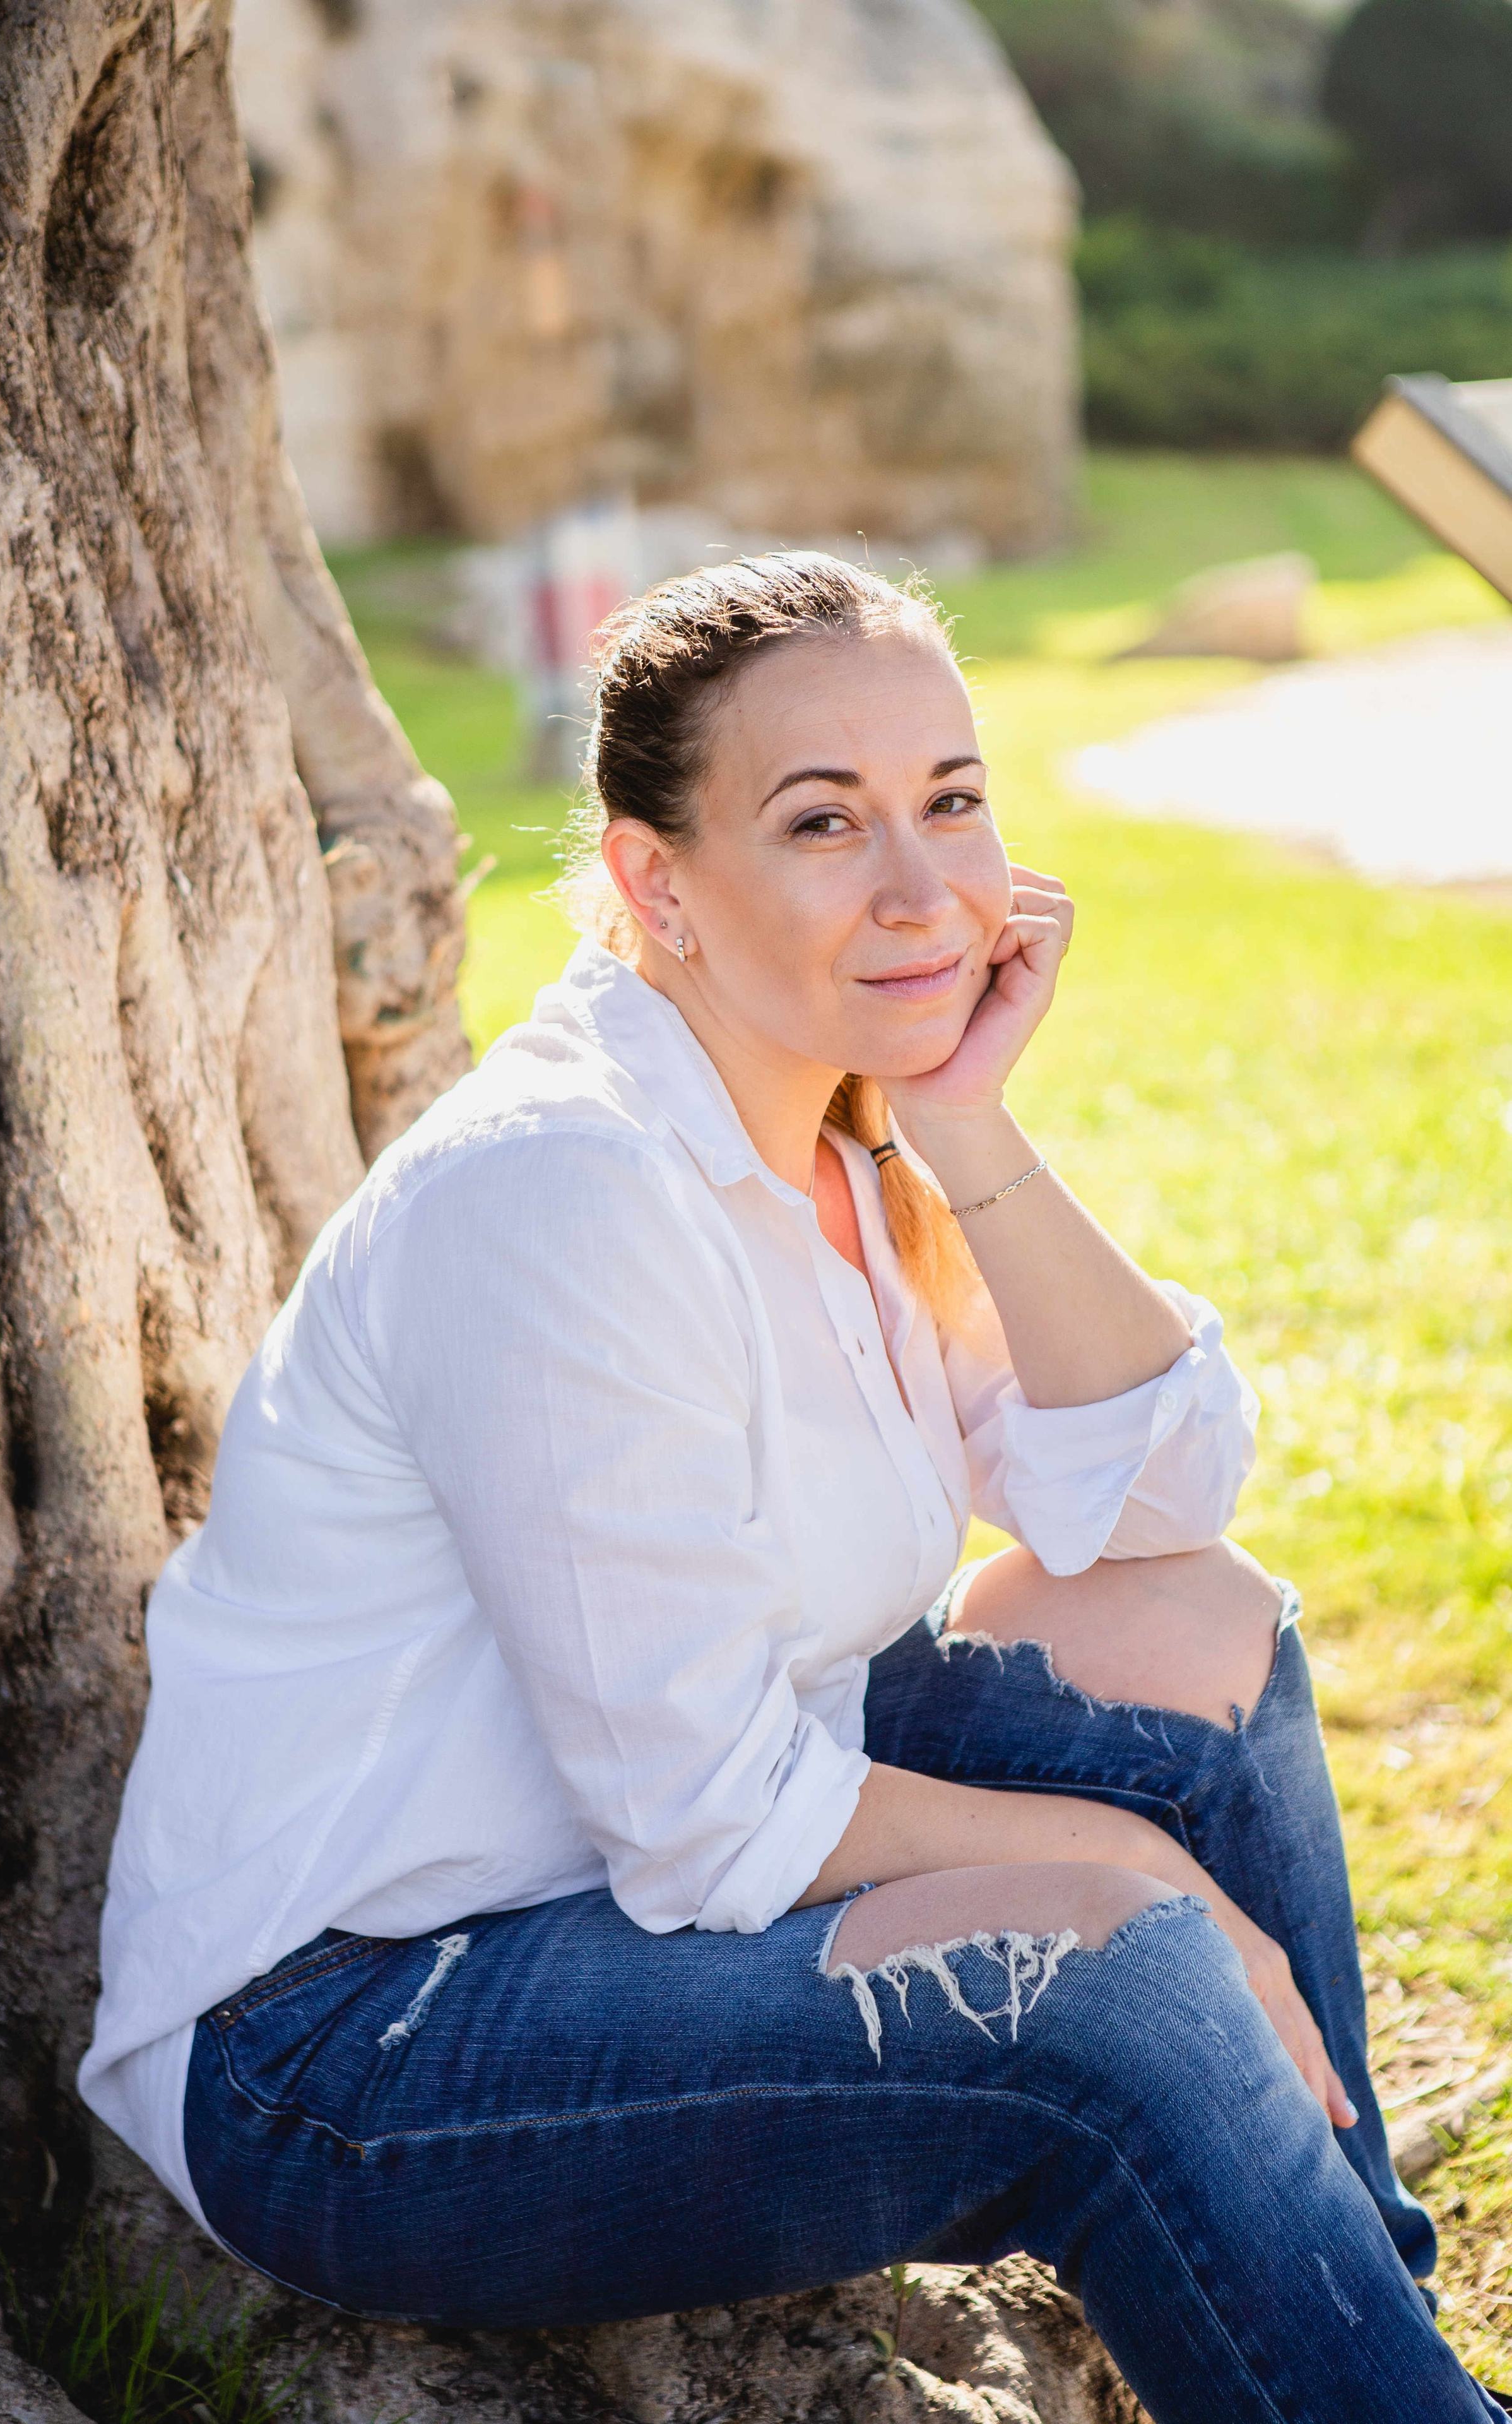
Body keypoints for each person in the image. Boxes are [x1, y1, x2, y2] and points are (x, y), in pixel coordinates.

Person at [81, 554, 1497, 2421]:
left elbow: (1156, 1497)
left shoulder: (846, 1131)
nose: (925, 892)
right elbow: (707, 1819)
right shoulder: (564, 1190)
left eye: (956, 803)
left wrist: (967, 1114)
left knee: (1199, 1649)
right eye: (825, 823)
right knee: (1120, 1982)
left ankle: (1361, 2329)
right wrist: (1137, 1877)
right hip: (361, 2043)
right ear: (659, 881)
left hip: (615, 1861)